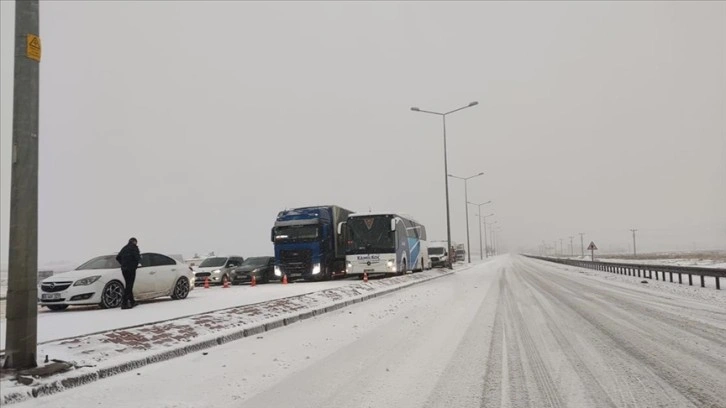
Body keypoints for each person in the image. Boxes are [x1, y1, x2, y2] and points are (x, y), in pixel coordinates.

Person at [116, 237, 141, 309]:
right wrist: (135, 264)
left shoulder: (124, 248)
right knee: (129, 286)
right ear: (135, 242)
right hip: (131, 269)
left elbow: (117, 257)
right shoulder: (134, 248)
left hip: (124, 269)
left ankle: (132, 301)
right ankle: (124, 303)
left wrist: (123, 264)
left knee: (128, 284)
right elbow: (137, 258)